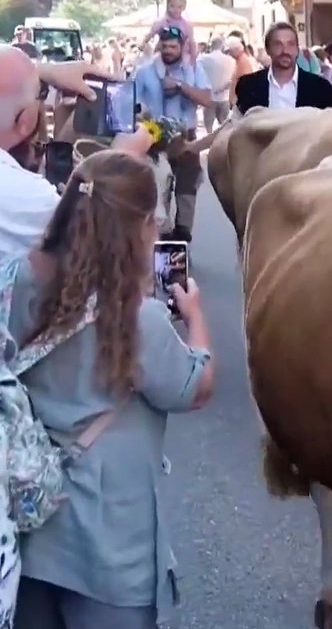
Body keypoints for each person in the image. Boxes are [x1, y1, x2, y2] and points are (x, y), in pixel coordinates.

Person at [5, 150, 214, 629]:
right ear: (137, 227)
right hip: (110, 547)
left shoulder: (19, 285)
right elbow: (194, 388)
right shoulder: (138, 320)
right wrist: (196, 317)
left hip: (27, 523)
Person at [0, 52, 152, 255]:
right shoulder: (25, 195)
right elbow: (85, 233)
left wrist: (45, 71)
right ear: (25, 121)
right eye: (42, 93)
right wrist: (121, 158)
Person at [130, 26, 212, 243]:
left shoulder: (194, 70)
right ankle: (161, 237)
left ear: (182, 46)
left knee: (187, 189)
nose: (168, 50)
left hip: (185, 139)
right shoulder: (144, 72)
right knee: (157, 190)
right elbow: (131, 102)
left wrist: (180, 86)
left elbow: (206, 99)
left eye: (173, 46)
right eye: (164, 45)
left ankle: (183, 237)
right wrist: (142, 115)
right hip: (154, 140)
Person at [233, 23, 332, 113]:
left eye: (291, 44)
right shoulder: (248, 86)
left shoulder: (321, 88)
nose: (285, 51)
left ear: (297, 49)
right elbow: (239, 127)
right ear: (268, 49)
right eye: (278, 44)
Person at [143, 0, 197, 66]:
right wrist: (143, 43)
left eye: (179, 7)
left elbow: (191, 43)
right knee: (157, 66)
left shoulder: (186, 25)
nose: (176, 9)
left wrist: (193, 58)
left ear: (184, 7)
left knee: (187, 68)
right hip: (163, 52)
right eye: (172, 6)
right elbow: (151, 34)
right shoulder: (161, 22)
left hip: (181, 54)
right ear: (167, 6)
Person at [197, 37, 236, 133]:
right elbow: (233, 78)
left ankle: (210, 147)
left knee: (208, 129)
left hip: (209, 98)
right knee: (225, 127)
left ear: (211, 45)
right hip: (225, 97)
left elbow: (196, 72)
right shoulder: (231, 60)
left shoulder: (203, 59)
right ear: (222, 46)